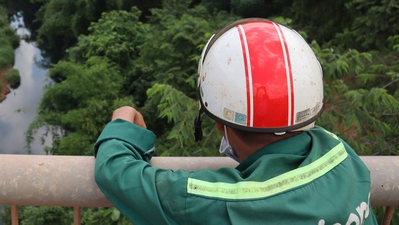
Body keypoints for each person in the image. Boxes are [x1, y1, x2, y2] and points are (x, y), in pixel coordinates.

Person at [94, 18, 376, 225]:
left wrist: (124, 118)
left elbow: (116, 171)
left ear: (220, 124)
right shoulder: (342, 156)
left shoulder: (227, 204)